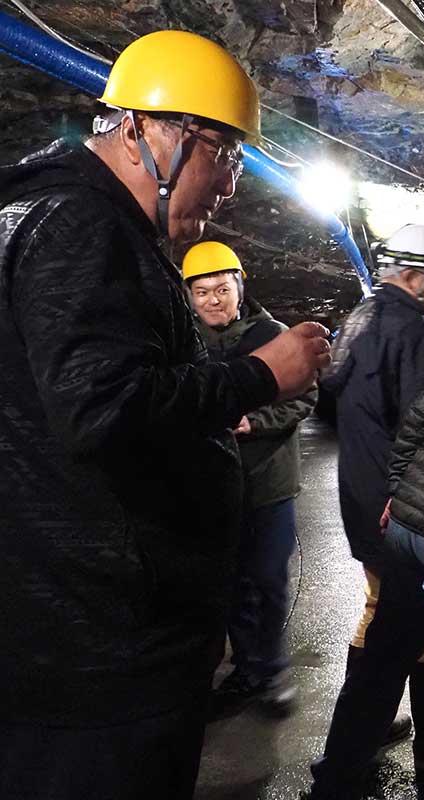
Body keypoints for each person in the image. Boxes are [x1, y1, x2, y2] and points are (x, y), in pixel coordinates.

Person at [0, 30, 330, 800]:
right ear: (153, 130)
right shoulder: (83, 227)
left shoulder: (49, 216)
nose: (232, 185)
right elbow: (101, 407)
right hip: (100, 647)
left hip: (82, 625)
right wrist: (257, 375)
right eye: (223, 152)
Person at [309, 223, 424, 800]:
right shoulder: (415, 335)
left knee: (413, 630)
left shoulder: (357, 321)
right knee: (401, 635)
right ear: (417, 275)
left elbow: (328, 412)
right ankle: (357, 770)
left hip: (366, 507)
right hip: (402, 520)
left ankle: (418, 759)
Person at [182, 241, 317, 715]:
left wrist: (255, 422)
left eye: (222, 288)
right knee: (233, 582)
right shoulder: (183, 343)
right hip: (213, 489)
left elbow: (305, 396)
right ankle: (247, 668)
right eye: (202, 292)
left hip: (268, 484)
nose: (214, 300)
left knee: (268, 578)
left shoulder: (271, 335)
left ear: (240, 287)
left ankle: (273, 668)